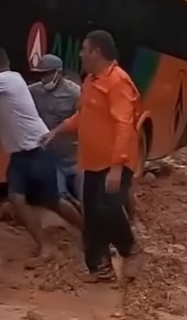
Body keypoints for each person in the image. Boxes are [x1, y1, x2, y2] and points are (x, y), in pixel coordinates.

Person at [43, 29, 145, 283]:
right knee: (93, 216)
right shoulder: (91, 80)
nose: (80, 54)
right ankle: (100, 268)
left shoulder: (118, 82)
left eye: (84, 49)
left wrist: (117, 167)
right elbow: (85, 116)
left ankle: (130, 249)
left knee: (108, 209)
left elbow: (123, 124)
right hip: (91, 162)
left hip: (114, 163)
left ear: (96, 52)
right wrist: (58, 130)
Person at [0, 47, 83, 267]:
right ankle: (47, 248)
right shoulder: (12, 79)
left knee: (53, 201)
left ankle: (89, 233)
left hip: (37, 151)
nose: (42, 78)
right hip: (21, 154)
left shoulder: (4, 80)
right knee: (17, 199)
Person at [28, 54, 81, 203]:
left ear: (58, 72)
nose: (43, 78)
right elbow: (13, 89)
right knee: (59, 197)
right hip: (50, 158)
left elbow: (85, 120)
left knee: (85, 196)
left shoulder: (75, 93)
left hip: (73, 159)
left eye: (47, 74)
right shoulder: (34, 91)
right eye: (40, 74)